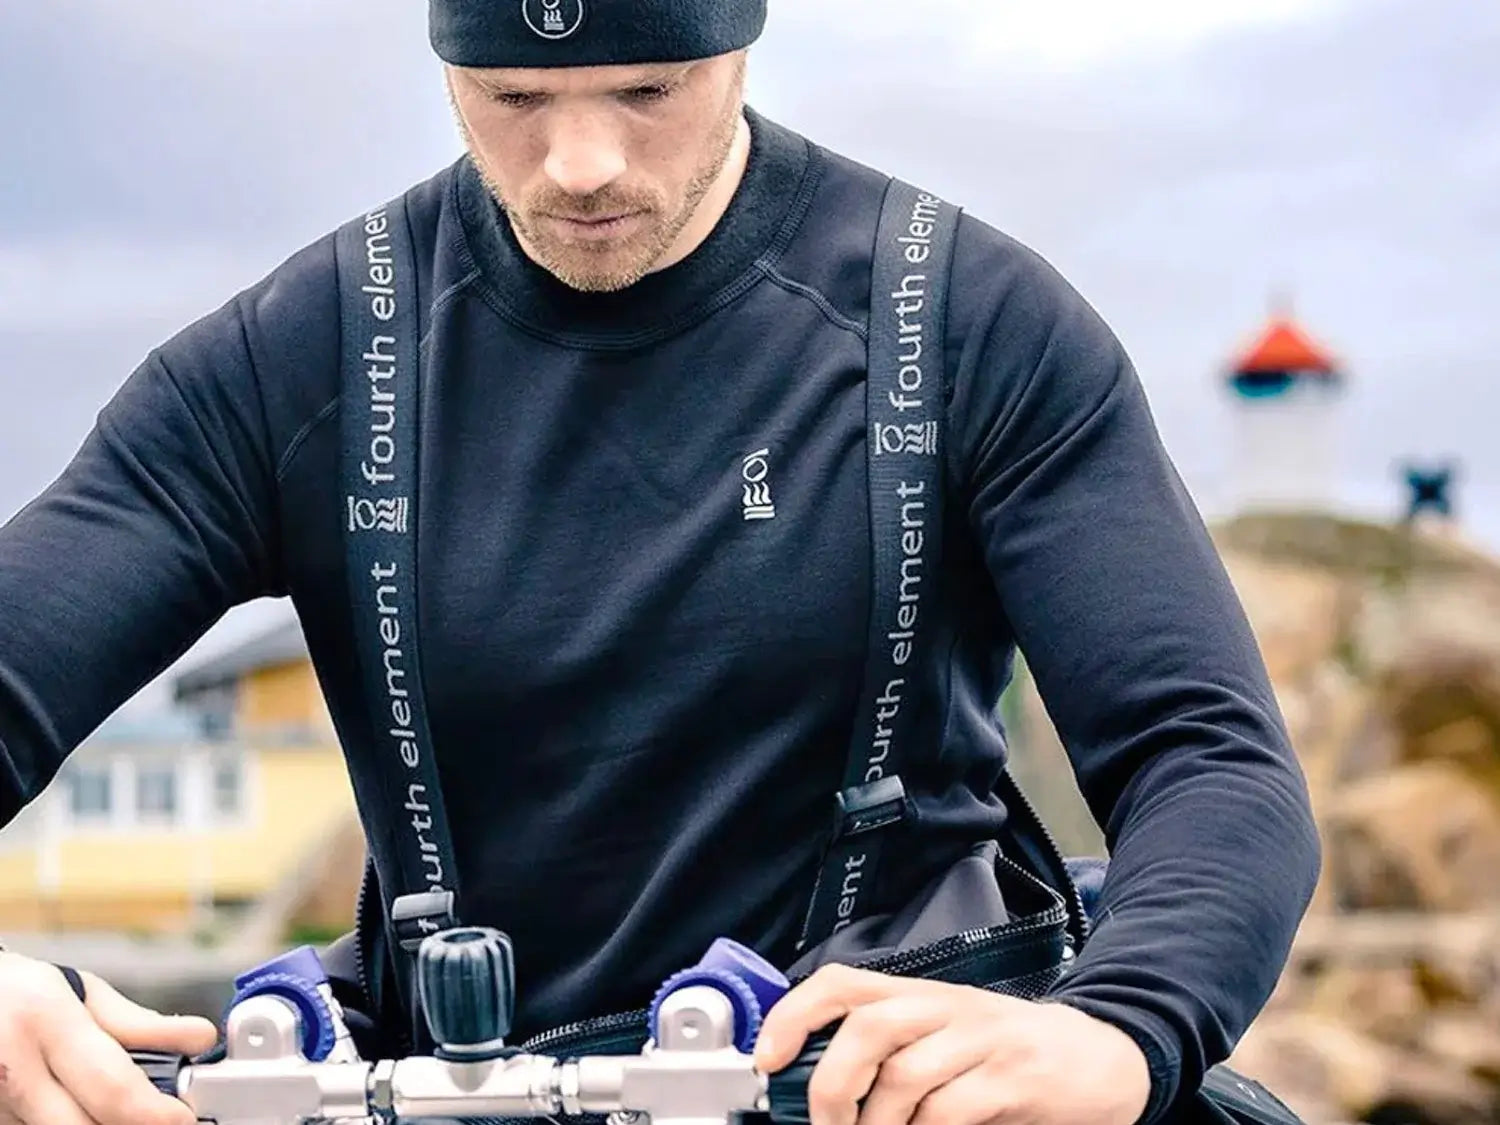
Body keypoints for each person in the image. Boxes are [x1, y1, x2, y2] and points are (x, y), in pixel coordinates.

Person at [0, 3, 1322, 1124]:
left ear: (742, 41)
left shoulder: (971, 319)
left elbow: (1205, 755)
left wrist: (1115, 1033)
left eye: (648, 87)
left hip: (876, 1086)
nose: (578, 163)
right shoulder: (299, 362)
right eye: (513, 93)